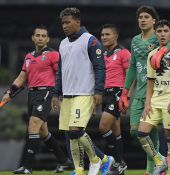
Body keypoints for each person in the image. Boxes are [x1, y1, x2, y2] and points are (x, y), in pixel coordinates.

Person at [118, 5, 170, 175]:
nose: (142, 20)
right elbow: (132, 66)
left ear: (154, 21)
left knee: (151, 131)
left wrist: (163, 49)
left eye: (146, 17)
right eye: (140, 17)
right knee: (135, 131)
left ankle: (152, 169)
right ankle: (160, 161)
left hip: (156, 91)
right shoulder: (135, 40)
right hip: (140, 91)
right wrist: (125, 92)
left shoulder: (159, 38)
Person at [1, 25, 71, 174]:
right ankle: (65, 162)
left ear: (47, 39)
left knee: (33, 125)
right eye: (37, 35)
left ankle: (27, 167)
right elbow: (22, 77)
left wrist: (57, 95)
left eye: (43, 36)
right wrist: (9, 92)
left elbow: (61, 76)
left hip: (46, 92)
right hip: (32, 95)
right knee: (43, 131)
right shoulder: (29, 56)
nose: (40, 38)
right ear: (33, 38)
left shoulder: (53, 55)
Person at [51, 7, 109, 175]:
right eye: (63, 23)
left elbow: (100, 68)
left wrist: (98, 91)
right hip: (67, 95)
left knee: (76, 130)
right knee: (70, 134)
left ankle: (99, 159)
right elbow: (61, 71)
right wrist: (56, 93)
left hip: (84, 93)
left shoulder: (90, 40)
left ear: (78, 22)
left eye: (68, 22)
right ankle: (79, 170)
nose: (64, 26)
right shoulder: (62, 43)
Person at [137, 19, 170, 175]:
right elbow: (150, 82)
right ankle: (160, 160)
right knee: (141, 133)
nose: (162, 34)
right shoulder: (152, 54)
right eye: (159, 31)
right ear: (155, 34)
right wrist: (147, 104)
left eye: (166, 31)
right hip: (155, 100)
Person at [99, 23, 130, 174]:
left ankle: (119, 161)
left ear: (115, 36)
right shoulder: (103, 55)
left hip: (117, 93)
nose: (104, 37)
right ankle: (120, 169)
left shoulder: (123, 53)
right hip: (105, 94)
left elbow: (131, 74)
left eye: (107, 34)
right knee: (115, 131)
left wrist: (126, 94)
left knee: (103, 127)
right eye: (103, 35)